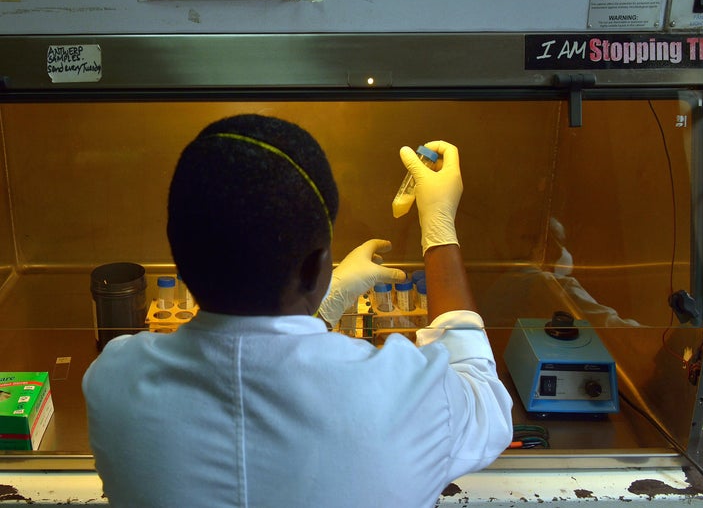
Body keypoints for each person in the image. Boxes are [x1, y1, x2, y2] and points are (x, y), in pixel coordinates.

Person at [82, 114, 513, 507]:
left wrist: (320, 306)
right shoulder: (405, 397)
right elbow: (485, 398)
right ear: (316, 268)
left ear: (180, 260)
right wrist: (438, 229)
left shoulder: (115, 382)